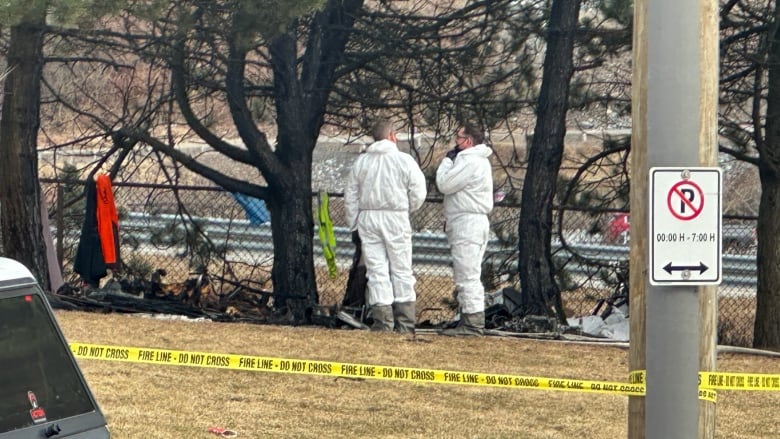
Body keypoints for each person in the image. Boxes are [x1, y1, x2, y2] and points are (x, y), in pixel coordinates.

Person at [344, 120, 427, 332]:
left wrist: (354, 223)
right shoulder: (403, 160)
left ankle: (383, 321)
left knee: (376, 270)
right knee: (401, 269)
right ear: (392, 135)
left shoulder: (362, 163)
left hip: (368, 219)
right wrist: (407, 208)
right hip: (396, 217)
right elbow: (419, 191)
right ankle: (405, 322)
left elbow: (351, 196)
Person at [436, 123, 494, 336]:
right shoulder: (478, 161)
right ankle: (469, 318)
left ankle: (472, 323)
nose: (455, 141)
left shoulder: (469, 161)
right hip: (470, 221)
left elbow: (444, 184)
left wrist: (446, 161)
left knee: (467, 274)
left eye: (458, 137)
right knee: (468, 272)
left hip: (467, 223)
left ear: (468, 141)